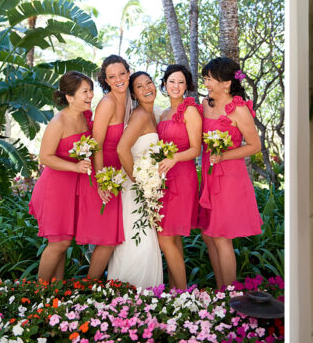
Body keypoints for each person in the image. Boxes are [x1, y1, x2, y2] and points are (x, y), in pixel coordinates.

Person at [198, 57, 263, 289]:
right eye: (205, 78)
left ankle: (230, 294)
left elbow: (254, 146)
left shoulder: (239, 109)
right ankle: (220, 290)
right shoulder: (206, 104)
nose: (206, 83)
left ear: (226, 83)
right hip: (208, 172)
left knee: (221, 235)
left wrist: (224, 155)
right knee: (208, 234)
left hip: (229, 176)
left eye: (210, 78)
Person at [30, 71, 94, 283]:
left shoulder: (85, 117)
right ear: (70, 97)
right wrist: (75, 167)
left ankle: (54, 294)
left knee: (64, 242)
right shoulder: (58, 122)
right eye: (85, 91)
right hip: (55, 189)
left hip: (72, 190)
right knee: (59, 243)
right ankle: (36, 294)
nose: (90, 95)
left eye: (91, 90)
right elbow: (45, 157)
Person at [110, 71, 164, 289]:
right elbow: (122, 149)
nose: (146, 88)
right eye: (139, 87)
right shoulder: (141, 115)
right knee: (139, 242)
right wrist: (137, 181)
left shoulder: (155, 114)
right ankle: (131, 295)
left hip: (147, 187)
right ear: (133, 94)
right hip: (136, 187)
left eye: (148, 83)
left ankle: (141, 300)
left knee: (146, 241)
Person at [81, 55, 130, 279]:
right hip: (104, 174)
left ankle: (96, 288)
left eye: (121, 73)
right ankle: (89, 289)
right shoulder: (108, 103)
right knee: (107, 239)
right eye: (112, 76)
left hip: (118, 174)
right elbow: (96, 146)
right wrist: (102, 181)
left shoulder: (128, 99)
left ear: (128, 73)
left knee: (111, 237)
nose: (118, 79)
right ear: (106, 80)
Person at [155, 65, 202, 290]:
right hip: (163, 179)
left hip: (182, 177)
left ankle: (182, 295)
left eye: (181, 82)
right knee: (171, 237)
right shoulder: (163, 114)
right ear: (164, 84)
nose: (176, 86)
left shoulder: (190, 110)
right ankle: (175, 291)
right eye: (172, 81)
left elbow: (196, 149)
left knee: (164, 237)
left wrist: (174, 159)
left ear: (187, 86)